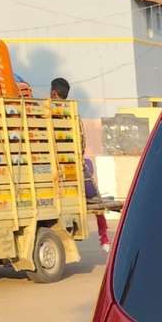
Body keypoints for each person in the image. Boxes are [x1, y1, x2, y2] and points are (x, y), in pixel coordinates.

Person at [50, 77, 110, 252]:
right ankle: (104, 238)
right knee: (95, 197)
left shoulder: (48, 112)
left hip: (58, 166)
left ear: (54, 93)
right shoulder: (73, 114)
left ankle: (105, 238)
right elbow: (81, 143)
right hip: (74, 164)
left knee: (94, 195)